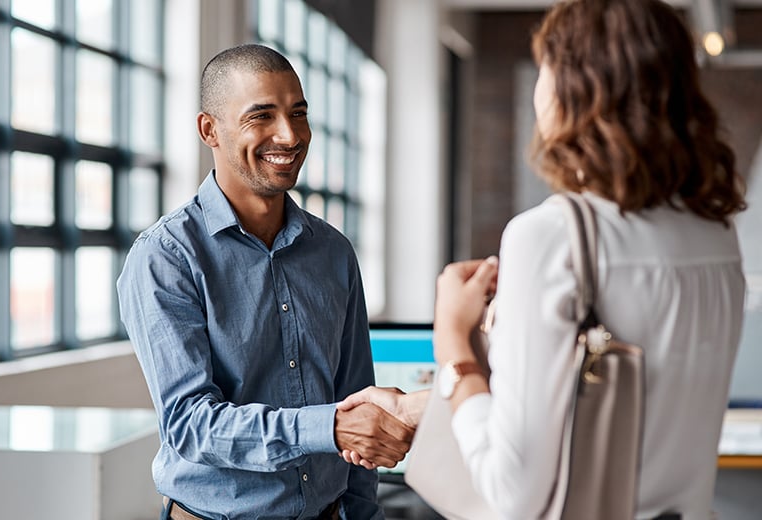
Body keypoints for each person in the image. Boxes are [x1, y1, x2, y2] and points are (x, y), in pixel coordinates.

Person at [339, 0, 747, 518]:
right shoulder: (715, 233)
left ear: (575, 89)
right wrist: (414, 408)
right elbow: (593, 410)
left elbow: (510, 492)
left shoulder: (551, 236)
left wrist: (453, 343)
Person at [117, 43, 414, 520]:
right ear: (209, 130)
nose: (289, 135)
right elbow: (191, 426)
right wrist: (329, 428)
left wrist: (362, 511)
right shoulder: (165, 257)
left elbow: (358, 399)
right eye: (262, 116)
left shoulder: (334, 252)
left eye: (298, 114)